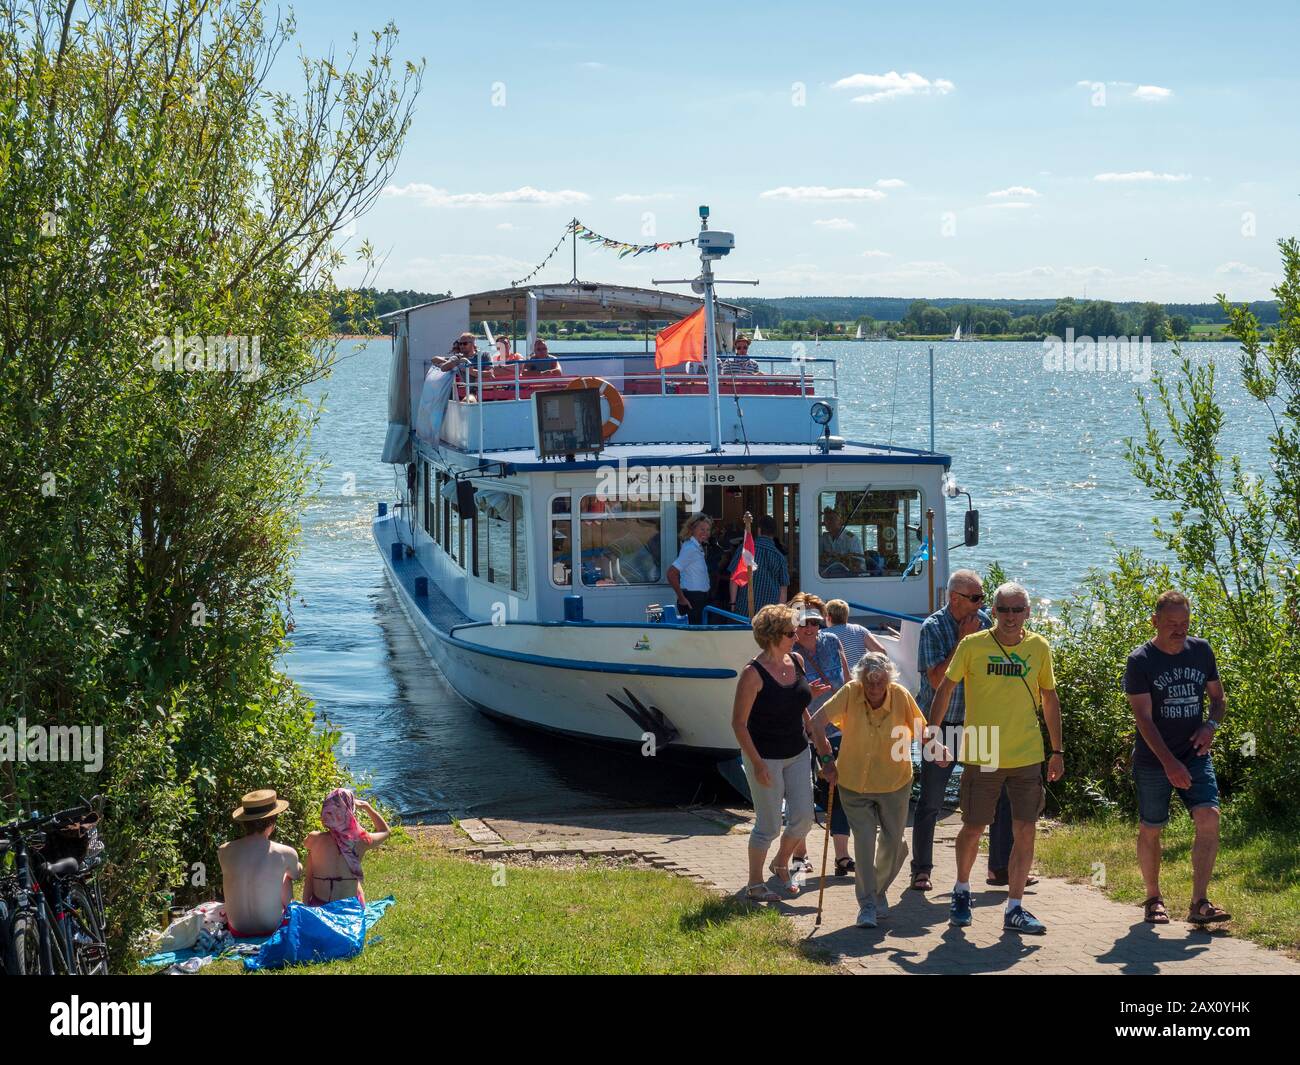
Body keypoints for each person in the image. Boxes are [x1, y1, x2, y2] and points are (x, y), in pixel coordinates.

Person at [929, 582, 1064, 935]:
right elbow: (946, 688)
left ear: (1028, 613)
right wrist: (932, 731)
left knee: (1026, 830)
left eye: (1017, 609)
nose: (1010, 617)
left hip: (1027, 754)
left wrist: (1057, 751)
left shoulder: (1039, 647)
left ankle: (1015, 907)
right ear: (994, 610)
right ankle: (961, 890)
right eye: (1003, 609)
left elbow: (1049, 699)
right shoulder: (973, 646)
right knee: (973, 826)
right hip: (983, 750)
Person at [910, 570, 1026, 892]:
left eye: (983, 598)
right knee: (931, 799)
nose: (981, 605)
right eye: (975, 598)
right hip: (942, 724)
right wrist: (962, 642)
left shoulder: (987, 623)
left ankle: (999, 868)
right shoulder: (933, 628)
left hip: (979, 724)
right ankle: (921, 869)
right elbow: (935, 681)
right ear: (955, 598)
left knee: (1000, 794)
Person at [1124, 590, 1230, 927]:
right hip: (1155, 760)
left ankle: (1199, 902)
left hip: (1194, 753)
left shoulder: (1201, 651)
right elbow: (1144, 719)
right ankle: (1153, 898)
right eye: (1171, 624)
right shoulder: (1140, 661)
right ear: (1155, 622)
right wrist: (1170, 763)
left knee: (1209, 816)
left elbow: (1218, 699)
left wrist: (1210, 725)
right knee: (1151, 827)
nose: (1179, 630)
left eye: (1184, 623)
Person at [810, 653, 927, 928]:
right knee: (863, 843)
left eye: (880, 683)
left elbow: (922, 731)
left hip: (894, 782)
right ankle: (868, 904)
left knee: (893, 843)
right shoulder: (851, 692)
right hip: (853, 783)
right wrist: (827, 761)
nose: (874, 689)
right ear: (861, 680)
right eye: (869, 683)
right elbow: (815, 723)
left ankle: (877, 890)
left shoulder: (900, 696)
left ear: (889, 680)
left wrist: (940, 748)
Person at [732, 604, 817, 902]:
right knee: (768, 825)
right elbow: (739, 724)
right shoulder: (752, 674)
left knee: (805, 817)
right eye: (790, 633)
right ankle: (755, 884)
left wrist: (816, 734)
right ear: (771, 636)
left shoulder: (796, 660)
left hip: (797, 751)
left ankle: (781, 861)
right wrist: (756, 763)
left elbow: (799, 705)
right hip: (765, 756)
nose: (797, 637)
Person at [787, 594, 853, 876]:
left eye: (815, 621)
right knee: (800, 793)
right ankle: (799, 858)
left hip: (836, 728)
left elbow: (848, 681)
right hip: (800, 731)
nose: (810, 628)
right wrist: (812, 726)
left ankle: (841, 856)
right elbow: (788, 696)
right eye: (803, 623)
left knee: (840, 790)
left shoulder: (832, 642)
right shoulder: (788, 652)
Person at [218, 789, 302, 937]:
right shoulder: (286, 852)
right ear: (272, 822)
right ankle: (289, 918)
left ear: (245, 823)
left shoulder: (224, 851)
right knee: (286, 876)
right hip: (272, 926)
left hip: (238, 928)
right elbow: (296, 874)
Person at [304, 789, 391, 906]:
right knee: (355, 881)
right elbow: (385, 831)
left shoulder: (314, 839)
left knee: (313, 859)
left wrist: (306, 906)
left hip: (319, 906)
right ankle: (362, 908)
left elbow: (309, 877)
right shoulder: (361, 840)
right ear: (349, 812)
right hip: (348, 909)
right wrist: (367, 807)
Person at [728, 515, 789, 616]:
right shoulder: (780, 557)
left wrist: (733, 603)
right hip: (769, 614)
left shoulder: (745, 550)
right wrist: (779, 613)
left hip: (744, 609)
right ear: (774, 533)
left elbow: (734, 577)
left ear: (759, 530)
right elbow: (783, 589)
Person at [667, 512, 714, 624]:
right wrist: (682, 598)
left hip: (701, 599)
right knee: (695, 638)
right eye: (702, 529)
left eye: (708, 530)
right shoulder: (690, 548)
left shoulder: (697, 547)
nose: (705, 533)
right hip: (693, 599)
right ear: (692, 529)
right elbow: (671, 573)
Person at [824, 599, 888, 668]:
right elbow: (881, 652)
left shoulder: (822, 635)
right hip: (859, 677)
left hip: (836, 677)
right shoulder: (859, 629)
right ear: (846, 615)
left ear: (829, 618)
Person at [819, 508, 866, 577]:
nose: (827, 522)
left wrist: (841, 558)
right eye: (825, 519)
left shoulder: (852, 539)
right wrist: (824, 557)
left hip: (850, 577)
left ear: (841, 521)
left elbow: (859, 564)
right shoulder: (824, 538)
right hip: (828, 576)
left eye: (831, 519)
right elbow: (817, 559)